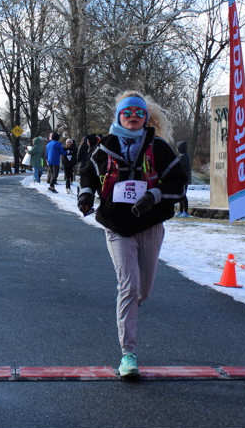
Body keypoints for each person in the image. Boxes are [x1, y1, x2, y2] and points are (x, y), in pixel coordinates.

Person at [78, 91, 186, 380]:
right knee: (128, 286)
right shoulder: (104, 148)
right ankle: (128, 354)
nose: (133, 117)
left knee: (142, 291)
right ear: (118, 116)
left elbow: (178, 184)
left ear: (146, 117)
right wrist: (86, 195)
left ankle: (129, 312)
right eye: (127, 112)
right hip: (117, 226)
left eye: (139, 113)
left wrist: (153, 196)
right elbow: (88, 174)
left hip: (150, 225)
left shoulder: (159, 148)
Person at [176, 140, 192, 217]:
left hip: (183, 179)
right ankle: (181, 210)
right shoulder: (184, 156)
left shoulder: (182, 157)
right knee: (181, 194)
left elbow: (176, 166)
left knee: (183, 194)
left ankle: (185, 211)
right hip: (184, 178)